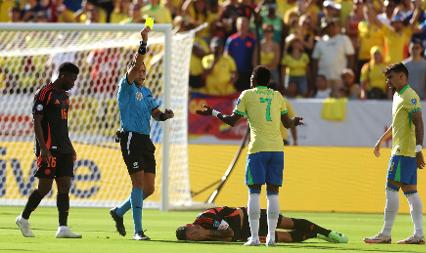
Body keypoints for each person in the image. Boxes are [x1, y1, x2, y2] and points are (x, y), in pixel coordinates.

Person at [196, 66, 303, 247]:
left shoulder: (247, 94)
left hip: (258, 150)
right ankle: (271, 238)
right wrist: (294, 121)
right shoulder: (277, 96)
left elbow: (231, 120)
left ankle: (254, 238)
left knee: (254, 191)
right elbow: (286, 123)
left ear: (253, 79)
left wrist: (212, 112)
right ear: (268, 81)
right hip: (277, 150)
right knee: (273, 193)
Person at [109, 26, 175, 241]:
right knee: (137, 184)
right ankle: (138, 231)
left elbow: (155, 114)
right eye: (139, 69)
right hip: (131, 139)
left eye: (144, 70)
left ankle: (119, 212)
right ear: (131, 71)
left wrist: (164, 116)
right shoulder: (126, 87)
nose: (142, 72)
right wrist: (144, 40)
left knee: (148, 189)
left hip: (146, 140)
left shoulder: (146, 92)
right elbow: (137, 62)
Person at [15, 62, 81, 238]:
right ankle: (23, 218)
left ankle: (63, 227)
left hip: (64, 148)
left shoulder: (65, 96)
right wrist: (43, 149)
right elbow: (36, 121)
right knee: (44, 188)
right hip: (49, 148)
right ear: (63, 76)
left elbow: (63, 126)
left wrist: (70, 147)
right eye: (72, 79)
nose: (74, 83)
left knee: (65, 186)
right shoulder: (45, 93)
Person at [364, 63, 426, 244]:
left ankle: (385, 233)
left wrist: (419, 150)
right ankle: (419, 234)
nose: (387, 81)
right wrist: (380, 141)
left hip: (403, 152)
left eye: (391, 77)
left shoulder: (410, 96)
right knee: (411, 193)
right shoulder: (398, 96)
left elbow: (419, 123)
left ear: (402, 76)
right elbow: (395, 124)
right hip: (403, 151)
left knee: (390, 189)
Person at [175, 206, 348, 243]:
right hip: (246, 234)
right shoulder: (202, 237)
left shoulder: (205, 219)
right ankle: (314, 235)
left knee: (288, 222)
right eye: (192, 239)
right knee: (285, 238)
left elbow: (229, 234)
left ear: (191, 226)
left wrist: (208, 235)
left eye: (192, 234)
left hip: (252, 216)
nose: (195, 237)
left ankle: (328, 232)